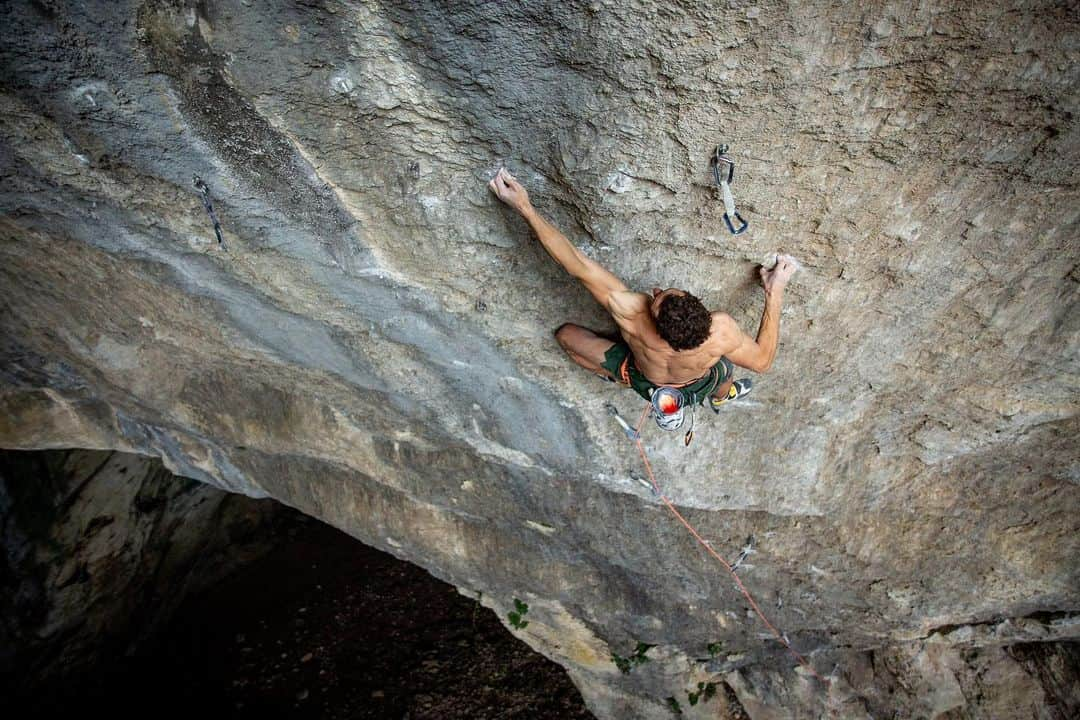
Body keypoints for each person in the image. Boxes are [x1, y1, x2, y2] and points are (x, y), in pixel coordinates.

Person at [488, 167, 797, 411]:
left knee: (566, 337)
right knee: (722, 368)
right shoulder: (722, 331)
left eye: (657, 296)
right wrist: (775, 290)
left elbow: (576, 264)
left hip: (647, 377)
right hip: (699, 376)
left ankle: (629, 381)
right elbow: (762, 362)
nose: (656, 289)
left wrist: (525, 208)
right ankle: (721, 392)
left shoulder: (633, 316)